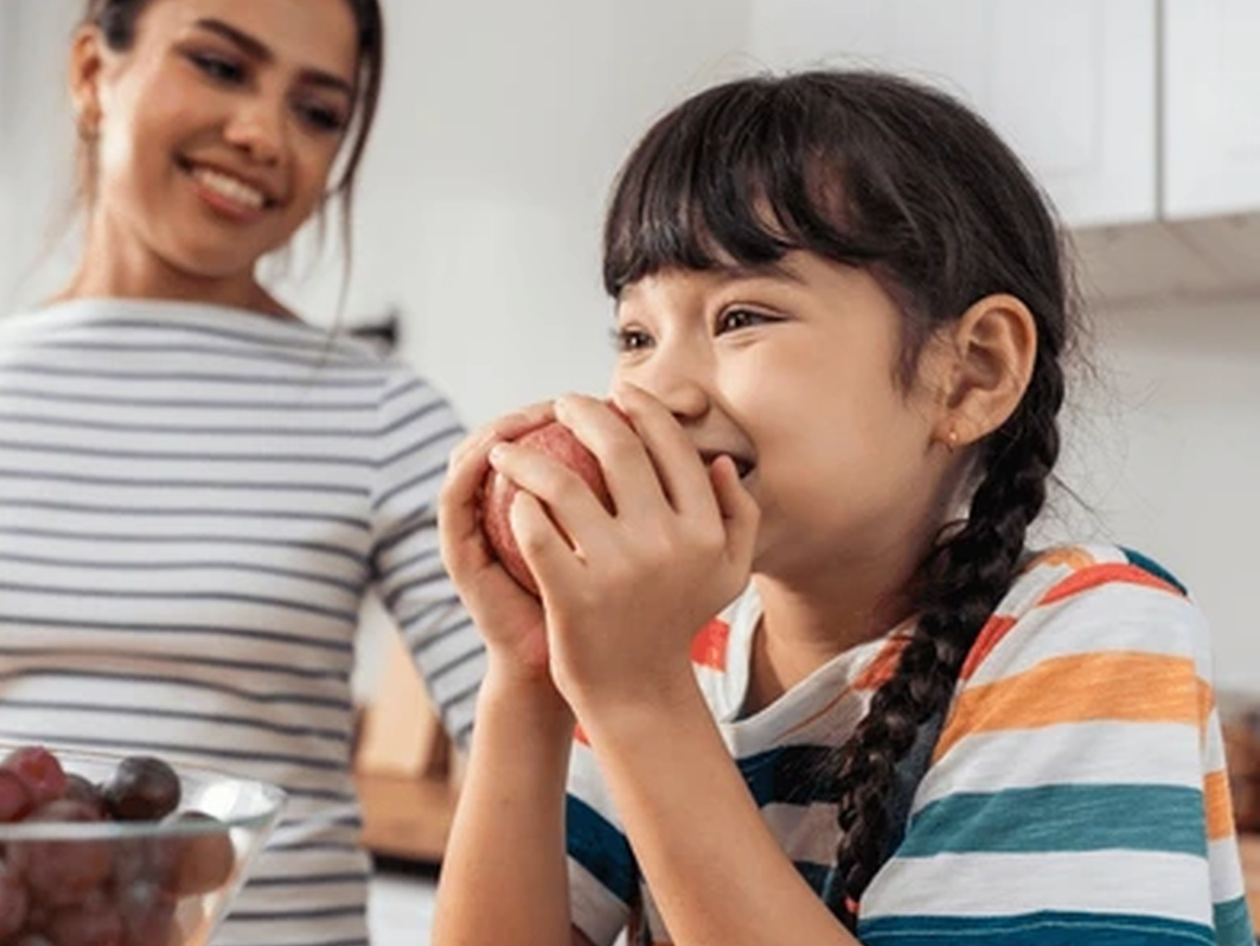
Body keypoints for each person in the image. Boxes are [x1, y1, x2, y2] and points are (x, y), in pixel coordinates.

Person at [431, 70, 1250, 946]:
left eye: (741, 315)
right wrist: (531, 676)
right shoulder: (664, 654)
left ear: (969, 373)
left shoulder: (1090, 633)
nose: (654, 392)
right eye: (636, 335)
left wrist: (637, 697)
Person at [0, 0, 485, 944]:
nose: (261, 132)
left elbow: (543, 756)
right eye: (219, 64)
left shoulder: (390, 416)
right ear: (90, 72)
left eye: (318, 110)